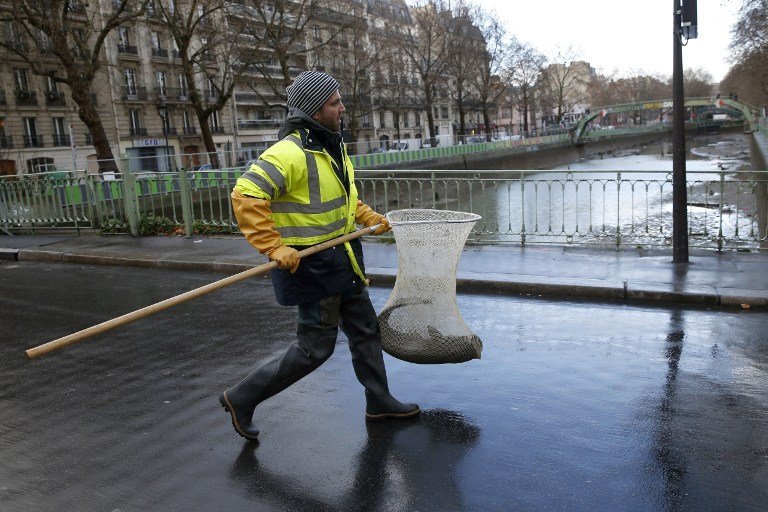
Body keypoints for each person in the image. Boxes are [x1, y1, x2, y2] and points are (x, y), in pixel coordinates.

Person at [220, 71, 420, 441]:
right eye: (334, 102)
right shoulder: (289, 152)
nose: (342, 107)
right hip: (310, 266)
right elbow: (245, 195)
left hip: (342, 258)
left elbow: (341, 199)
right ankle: (241, 397)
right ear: (314, 109)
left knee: (364, 331)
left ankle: (379, 401)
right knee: (315, 349)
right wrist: (273, 246)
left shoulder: (332, 146)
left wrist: (367, 217)